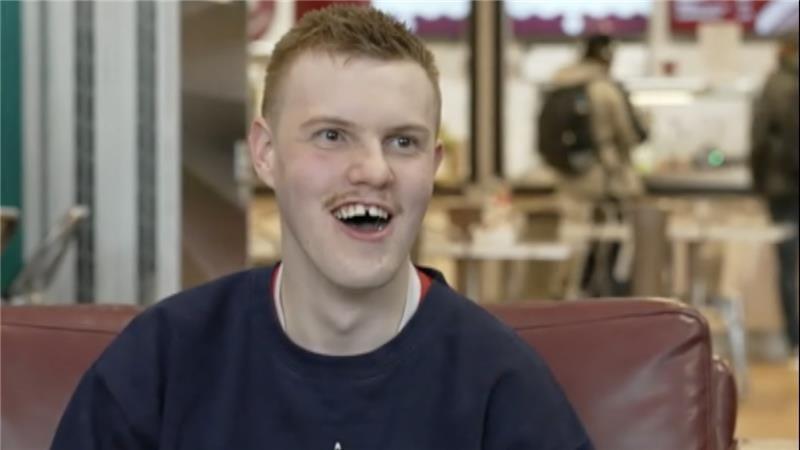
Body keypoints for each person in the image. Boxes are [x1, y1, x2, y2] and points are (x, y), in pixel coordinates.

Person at [51, 6, 593, 449]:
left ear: (433, 164)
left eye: (402, 142)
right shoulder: (160, 365)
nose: (374, 170)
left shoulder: (505, 390)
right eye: (332, 136)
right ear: (265, 154)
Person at [548, 34, 647, 297]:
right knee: (611, 239)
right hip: (601, 179)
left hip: (567, 178)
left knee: (575, 240)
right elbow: (628, 134)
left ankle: (567, 294)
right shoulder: (604, 89)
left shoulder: (560, 84)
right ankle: (601, 296)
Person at [749, 31, 799, 368]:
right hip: (790, 184)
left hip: (781, 189)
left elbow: (758, 138)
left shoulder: (773, 85)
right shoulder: (788, 85)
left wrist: (760, 182)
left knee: (787, 266)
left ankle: (795, 342)